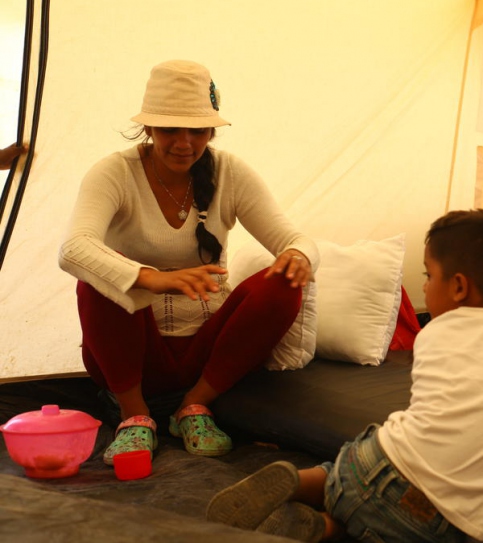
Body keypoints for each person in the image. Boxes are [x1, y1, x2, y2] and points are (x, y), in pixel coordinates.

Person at [205, 209, 483, 542]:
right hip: (441, 519)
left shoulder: (434, 335)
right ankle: (327, 530)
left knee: (344, 478)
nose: (426, 287)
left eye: (429, 276)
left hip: (376, 461)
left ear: (459, 286)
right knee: (380, 529)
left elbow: (463, 415)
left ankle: (301, 483)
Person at [58, 60, 319, 464]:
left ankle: (194, 408)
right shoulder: (114, 172)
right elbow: (73, 248)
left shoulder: (230, 172)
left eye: (197, 130)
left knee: (284, 280)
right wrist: (154, 279)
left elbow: (295, 239)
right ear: (148, 128)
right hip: (133, 357)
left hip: (205, 357)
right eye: (170, 129)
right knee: (98, 272)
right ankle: (134, 415)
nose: (184, 143)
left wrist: (298, 256)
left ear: (212, 130)